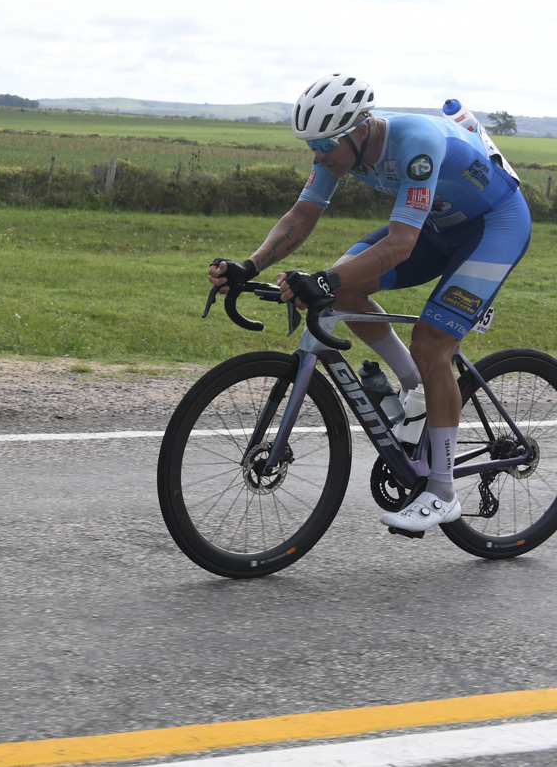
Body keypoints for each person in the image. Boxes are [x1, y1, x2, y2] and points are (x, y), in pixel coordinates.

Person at [210, 73, 530, 532]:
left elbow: (400, 244)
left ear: (360, 129)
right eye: (310, 145)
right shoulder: (338, 150)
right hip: (437, 228)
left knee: (432, 342)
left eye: (324, 144)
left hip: (493, 228)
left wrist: (321, 278)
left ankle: (442, 491)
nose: (317, 155)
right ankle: (415, 388)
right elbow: (304, 213)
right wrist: (250, 265)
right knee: (343, 291)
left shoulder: (415, 142)